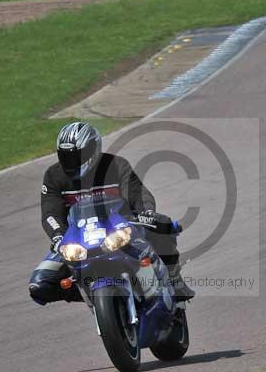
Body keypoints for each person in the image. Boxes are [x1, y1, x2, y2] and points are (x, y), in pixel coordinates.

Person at [28, 122, 195, 305]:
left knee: (162, 224)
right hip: (78, 239)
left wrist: (146, 213)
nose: (71, 162)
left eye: (76, 156)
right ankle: (91, 293)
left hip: (122, 228)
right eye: (66, 156)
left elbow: (137, 193)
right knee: (39, 285)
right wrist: (58, 236)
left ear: (92, 149)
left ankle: (173, 278)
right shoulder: (54, 176)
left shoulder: (116, 165)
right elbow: (50, 213)